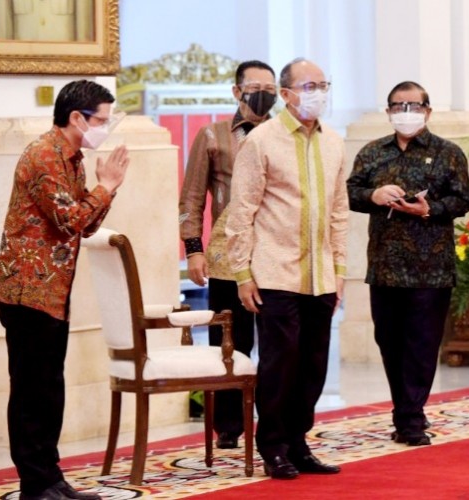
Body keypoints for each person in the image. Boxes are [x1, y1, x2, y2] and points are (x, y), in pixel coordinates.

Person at [0, 80, 129, 500]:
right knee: (33, 389)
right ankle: (36, 484)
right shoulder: (44, 155)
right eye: (101, 120)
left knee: (49, 387)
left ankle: (50, 479)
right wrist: (106, 186)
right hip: (28, 291)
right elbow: (69, 220)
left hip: (51, 291)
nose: (105, 128)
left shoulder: (72, 158)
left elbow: (85, 225)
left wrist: (105, 188)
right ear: (76, 117)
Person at [225, 58, 348, 480]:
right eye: (310, 84)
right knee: (280, 363)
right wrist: (242, 272)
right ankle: (273, 446)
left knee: (314, 364)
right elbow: (241, 211)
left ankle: (299, 442)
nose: (319, 92)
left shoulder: (333, 141)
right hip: (275, 271)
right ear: (287, 92)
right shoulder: (261, 141)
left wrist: (341, 267)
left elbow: (338, 211)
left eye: (324, 83)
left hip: (321, 274)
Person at [346, 81, 469, 447]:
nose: (405, 112)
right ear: (387, 112)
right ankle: (405, 410)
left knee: (422, 343)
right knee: (389, 340)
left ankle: (411, 417)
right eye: (398, 106)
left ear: (428, 110)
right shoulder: (372, 153)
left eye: (413, 105)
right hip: (385, 265)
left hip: (431, 268)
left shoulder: (448, 153)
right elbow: (350, 192)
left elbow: (461, 200)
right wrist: (374, 194)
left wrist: (429, 209)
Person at [178, 59, 277, 450]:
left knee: (277, 344)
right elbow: (191, 197)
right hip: (224, 257)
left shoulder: (286, 136)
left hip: (274, 255)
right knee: (230, 343)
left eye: (270, 87)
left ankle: (274, 422)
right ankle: (230, 426)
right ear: (236, 92)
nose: (263, 94)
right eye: (254, 87)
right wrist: (193, 250)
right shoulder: (213, 136)